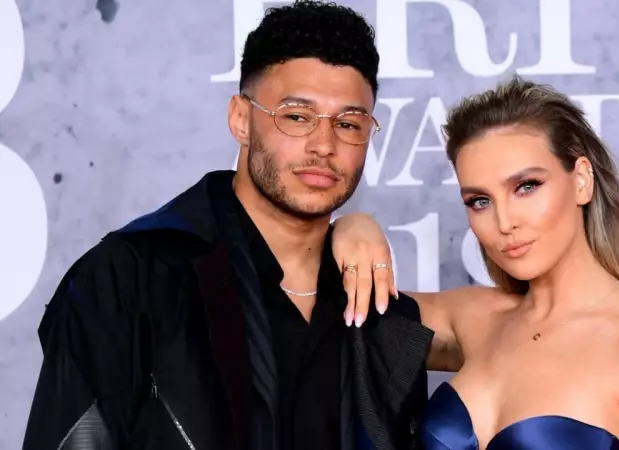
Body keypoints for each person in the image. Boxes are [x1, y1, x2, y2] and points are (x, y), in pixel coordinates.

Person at [21, 2, 441, 449]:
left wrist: (355, 223)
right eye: (296, 117)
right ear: (241, 119)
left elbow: (494, 328)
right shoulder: (128, 277)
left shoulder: (374, 310)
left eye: (349, 124)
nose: (324, 145)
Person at [336, 77, 619, 449]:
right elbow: (342, 315)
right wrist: (351, 226)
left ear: (581, 181)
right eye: (480, 201)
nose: (505, 223)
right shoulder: (476, 318)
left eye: (526, 187)